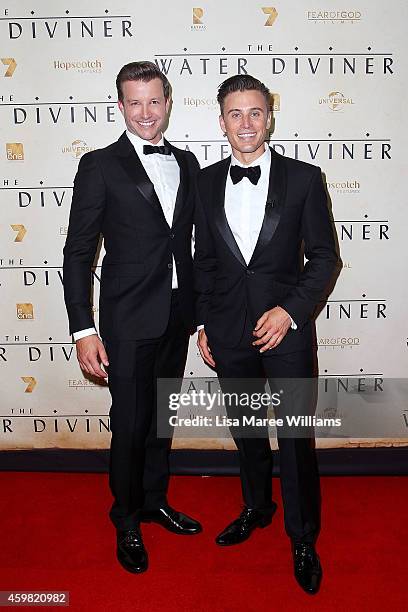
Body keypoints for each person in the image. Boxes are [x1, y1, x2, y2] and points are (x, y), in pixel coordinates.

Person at [194, 74, 337, 594]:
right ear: (222, 122)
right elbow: (204, 262)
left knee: (296, 437)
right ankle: (257, 507)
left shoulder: (303, 178)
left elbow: (324, 258)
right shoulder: (205, 182)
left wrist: (289, 312)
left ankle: (303, 537)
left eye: (255, 112)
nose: (246, 123)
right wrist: (205, 321)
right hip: (229, 332)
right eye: (235, 114)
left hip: (288, 333)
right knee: (247, 431)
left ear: (269, 117)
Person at [63, 61, 202, 574]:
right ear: (120, 106)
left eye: (154, 100)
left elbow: (191, 247)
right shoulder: (99, 165)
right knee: (129, 424)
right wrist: (83, 328)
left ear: (168, 102)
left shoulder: (187, 163)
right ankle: (124, 519)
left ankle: (152, 500)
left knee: (161, 421)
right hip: (125, 320)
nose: (146, 112)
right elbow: (79, 252)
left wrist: (201, 316)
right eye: (134, 102)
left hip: (176, 316)